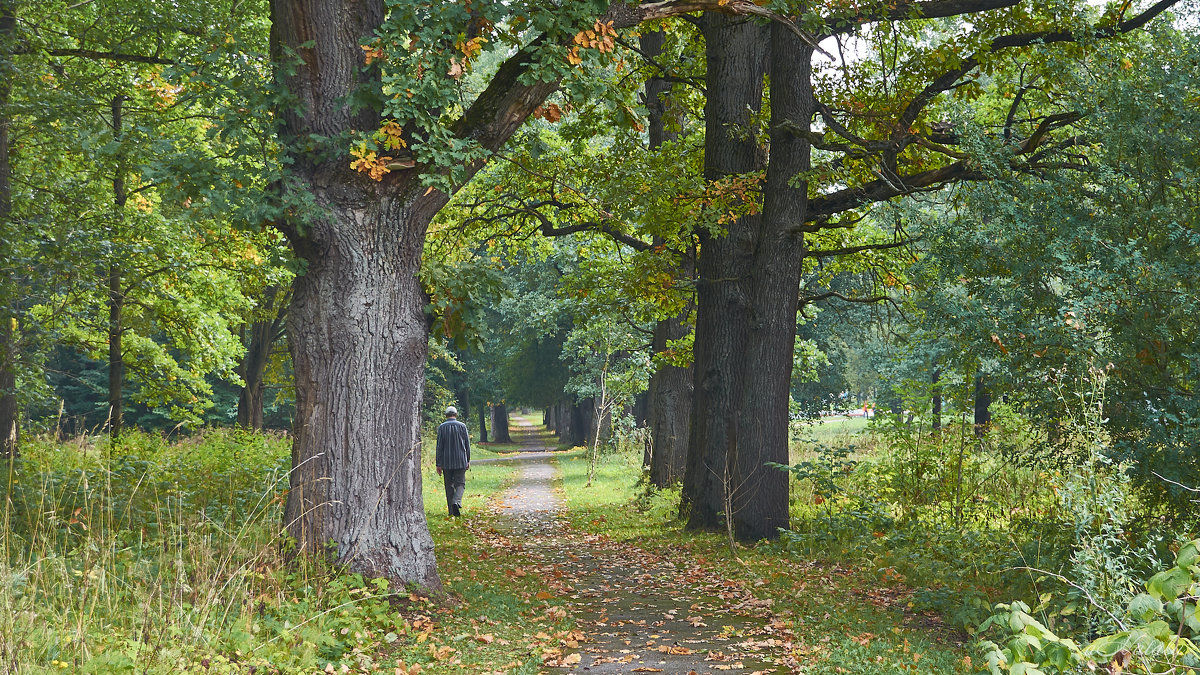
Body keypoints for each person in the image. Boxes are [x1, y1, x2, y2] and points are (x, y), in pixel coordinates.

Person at [435, 406, 471, 516]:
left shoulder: (442, 427)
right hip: (460, 460)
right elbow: (467, 445)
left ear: (446, 415)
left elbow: (439, 446)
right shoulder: (462, 426)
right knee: (460, 484)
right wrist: (468, 460)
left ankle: (451, 511)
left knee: (448, 485)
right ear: (456, 414)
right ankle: (457, 501)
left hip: (446, 462)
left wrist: (438, 463)